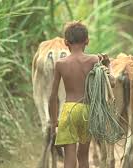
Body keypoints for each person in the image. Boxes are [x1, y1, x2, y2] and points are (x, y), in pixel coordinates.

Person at [49, 21, 110, 168]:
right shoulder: (94, 60)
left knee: (69, 158)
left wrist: (53, 122)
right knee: (83, 156)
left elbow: (53, 96)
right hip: (87, 111)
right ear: (87, 41)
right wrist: (107, 65)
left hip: (69, 111)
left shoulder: (60, 64)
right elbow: (110, 83)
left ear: (65, 42)